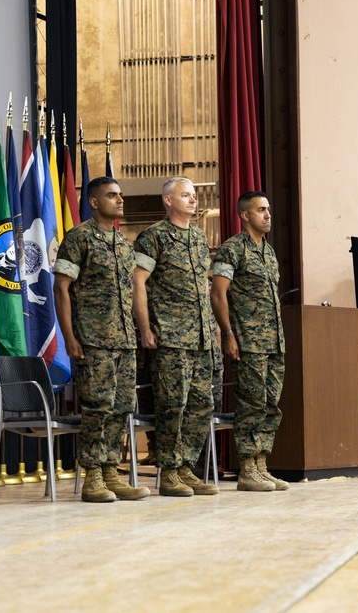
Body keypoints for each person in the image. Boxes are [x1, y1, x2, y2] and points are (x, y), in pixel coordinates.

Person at [53, 177, 150, 503]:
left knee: (122, 407)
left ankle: (112, 471)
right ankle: (93, 477)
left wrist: (140, 330)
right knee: (98, 408)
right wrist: (69, 336)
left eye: (121, 195)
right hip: (93, 339)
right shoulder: (79, 237)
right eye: (112, 195)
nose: (120, 200)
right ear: (94, 202)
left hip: (124, 341)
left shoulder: (125, 245)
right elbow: (61, 288)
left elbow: (135, 292)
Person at [132, 177, 218, 496]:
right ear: (168, 201)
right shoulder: (154, 236)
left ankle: (185, 467)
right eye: (185, 195)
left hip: (199, 338)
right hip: (168, 336)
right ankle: (168, 471)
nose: (193, 200)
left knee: (201, 403)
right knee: (172, 404)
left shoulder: (197, 237)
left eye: (194, 196)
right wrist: (145, 328)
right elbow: (138, 283)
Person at [210, 190, 288, 492]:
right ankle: (247, 469)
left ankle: (261, 465)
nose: (267, 215)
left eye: (268, 209)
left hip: (273, 343)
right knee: (251, 406)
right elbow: (218, 294)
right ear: (245, 216)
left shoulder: (268, 252)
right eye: (261, 210)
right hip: (248, 343)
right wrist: (228, 334)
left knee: (270, 406)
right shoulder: (233, 250)